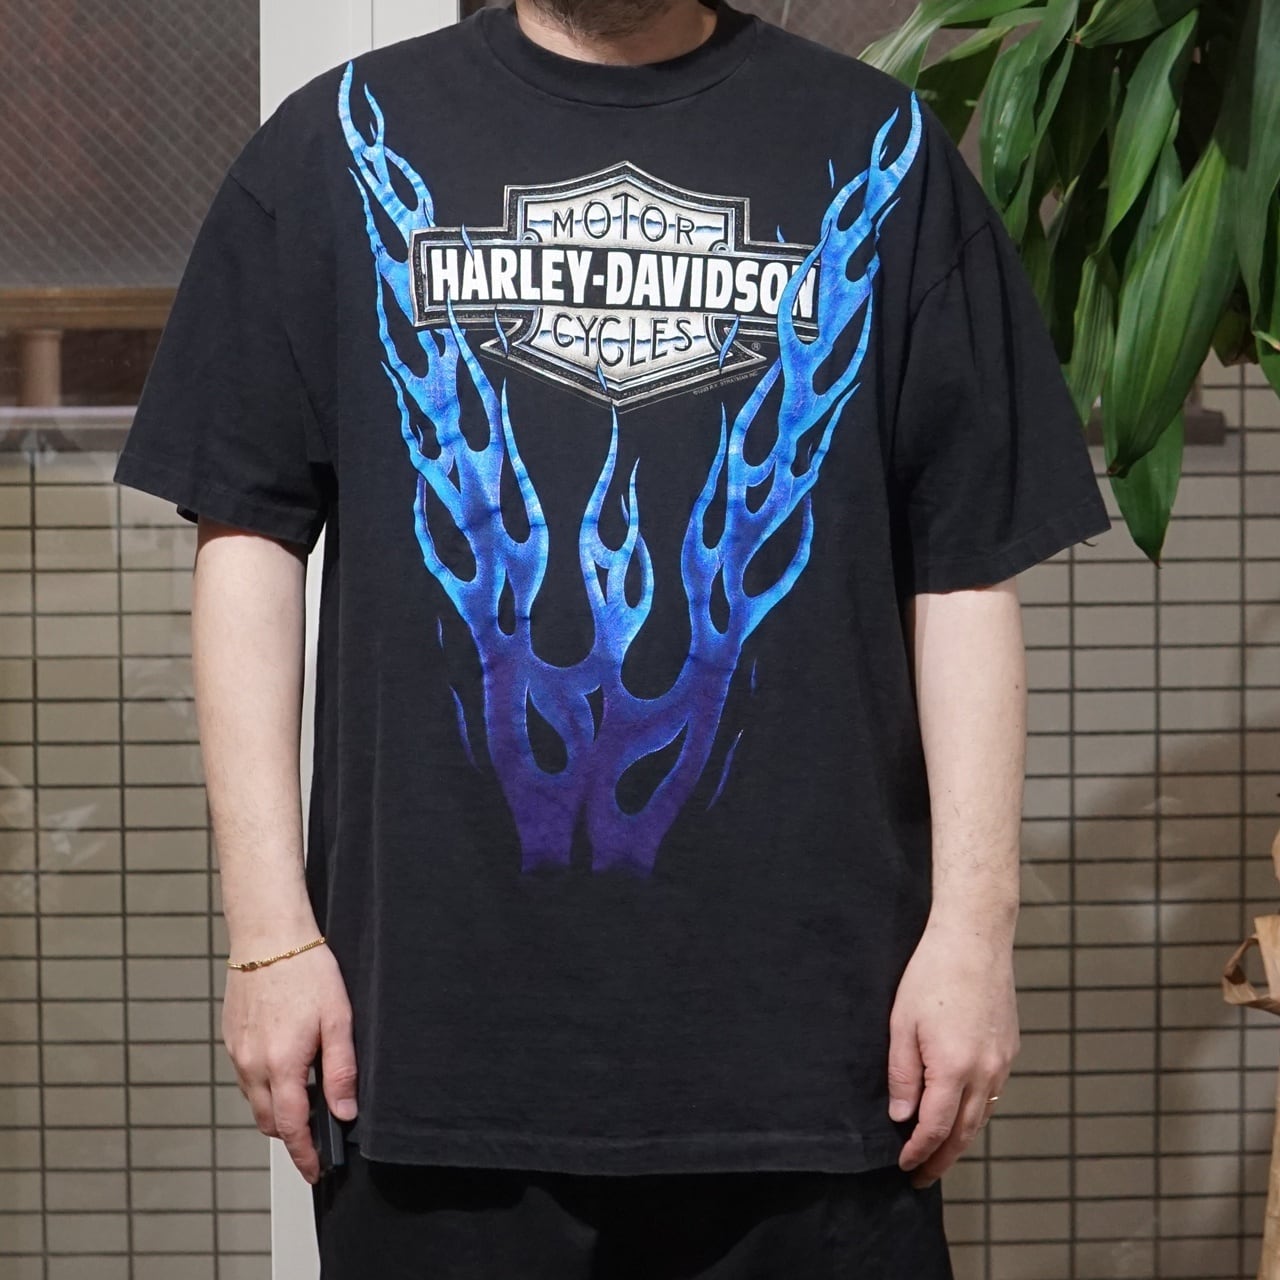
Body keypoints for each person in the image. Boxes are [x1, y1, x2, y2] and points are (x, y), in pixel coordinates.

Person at [112, 0, 1111, 1274]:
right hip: (429, 1052)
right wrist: (269, 936)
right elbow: (247, 539)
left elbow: (963, 571)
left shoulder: (883, 151)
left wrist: (972, 936)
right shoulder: (335, 144)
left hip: (817, 1059)